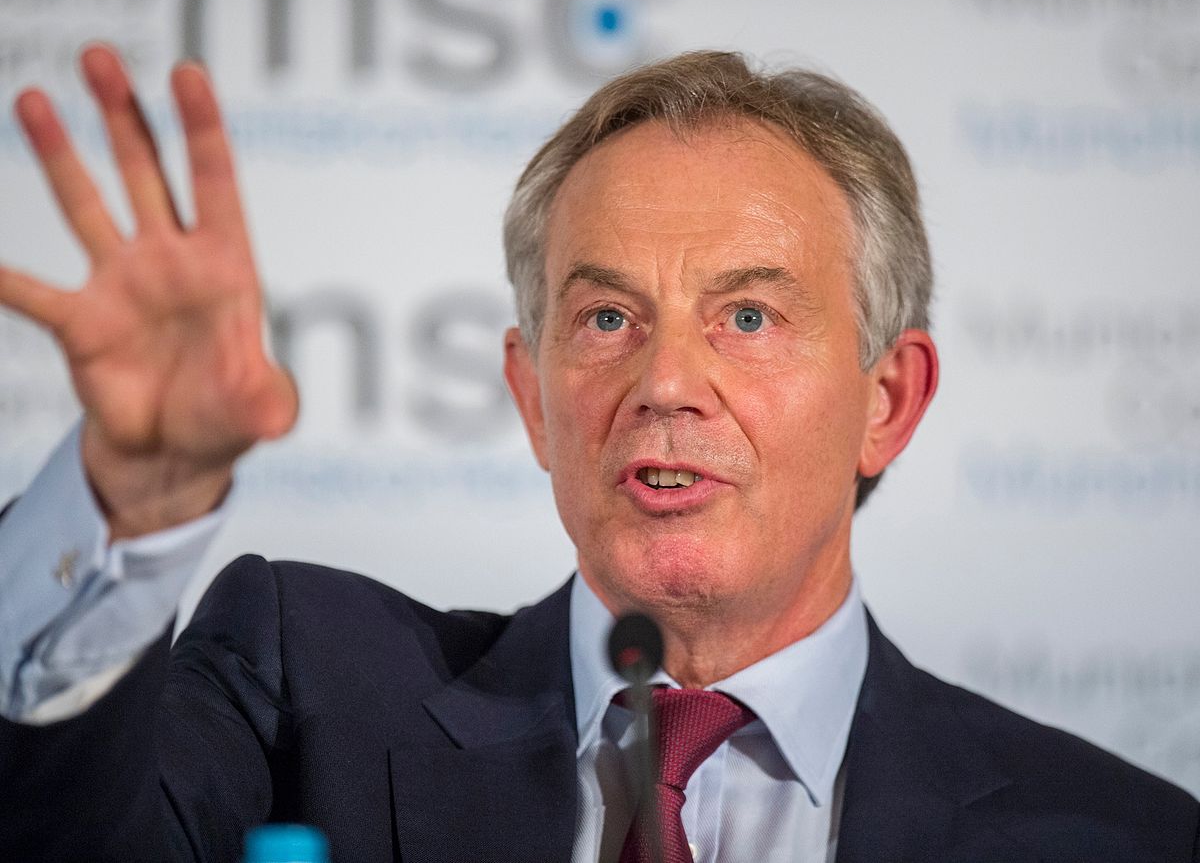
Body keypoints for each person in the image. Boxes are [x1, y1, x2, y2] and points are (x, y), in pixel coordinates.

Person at [0, 45, 1195, 862]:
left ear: (888, 398)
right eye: (608, 316)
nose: (666, 382)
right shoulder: (306, 688)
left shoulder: (1122, 834)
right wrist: (129, 495)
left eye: (748, 316)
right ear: (532, 395)